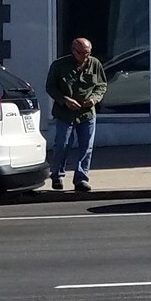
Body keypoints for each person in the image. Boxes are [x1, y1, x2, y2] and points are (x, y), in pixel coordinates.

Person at [45, 37, 108, 192]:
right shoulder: (59, 65)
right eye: (82, 53)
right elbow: (51, 87)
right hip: (65, 112)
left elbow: (101, 85)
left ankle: (81, 178)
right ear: (73, 51)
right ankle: (57, 175)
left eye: (88, 53)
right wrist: (64, 100)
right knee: (62, 144)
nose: (85, 56)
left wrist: (94, 99)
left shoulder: (95, 64)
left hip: (87, 113)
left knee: (86, 146)